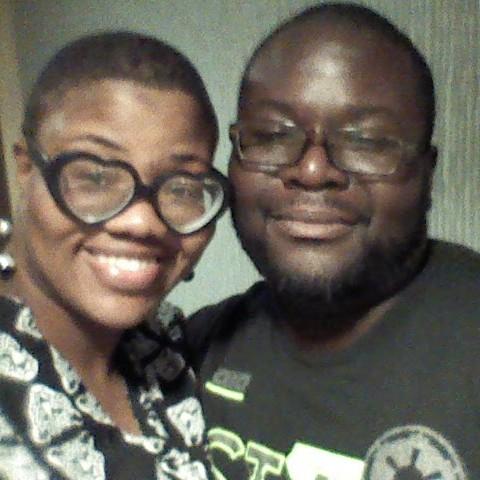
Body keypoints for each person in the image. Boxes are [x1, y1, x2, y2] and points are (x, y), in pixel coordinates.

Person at [188, 3, 480, 479]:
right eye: (272, 135)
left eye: (366, 141)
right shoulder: (191, 353)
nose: (311, 170)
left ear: (426, 175)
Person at [0, 32, 229, 480]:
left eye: (182, 188)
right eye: (96, 177)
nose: (142, 223)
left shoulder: (174, 348)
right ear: (25, 168)